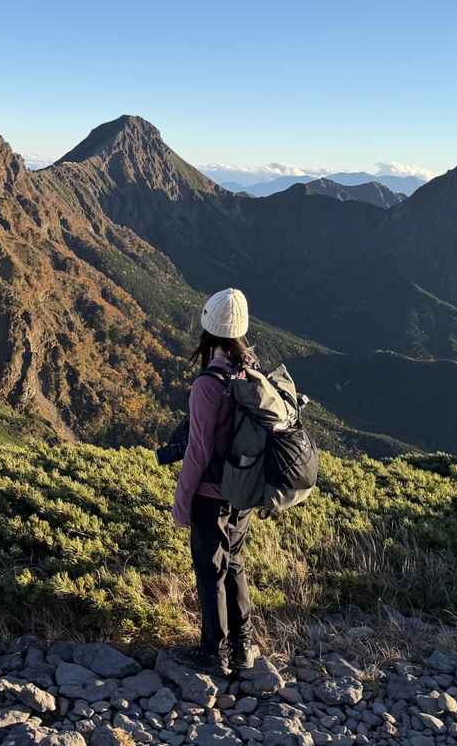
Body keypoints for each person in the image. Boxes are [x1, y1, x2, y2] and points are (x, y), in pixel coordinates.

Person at [172, 287, 257, 675]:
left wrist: (182, 500)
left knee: (210, 571)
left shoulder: (208, 383)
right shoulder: (249, 372)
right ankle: (244, 648)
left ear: (207, 330)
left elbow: (198, 451)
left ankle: (213, 651)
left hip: (210, 493)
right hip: (243, 489)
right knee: (235, 564)